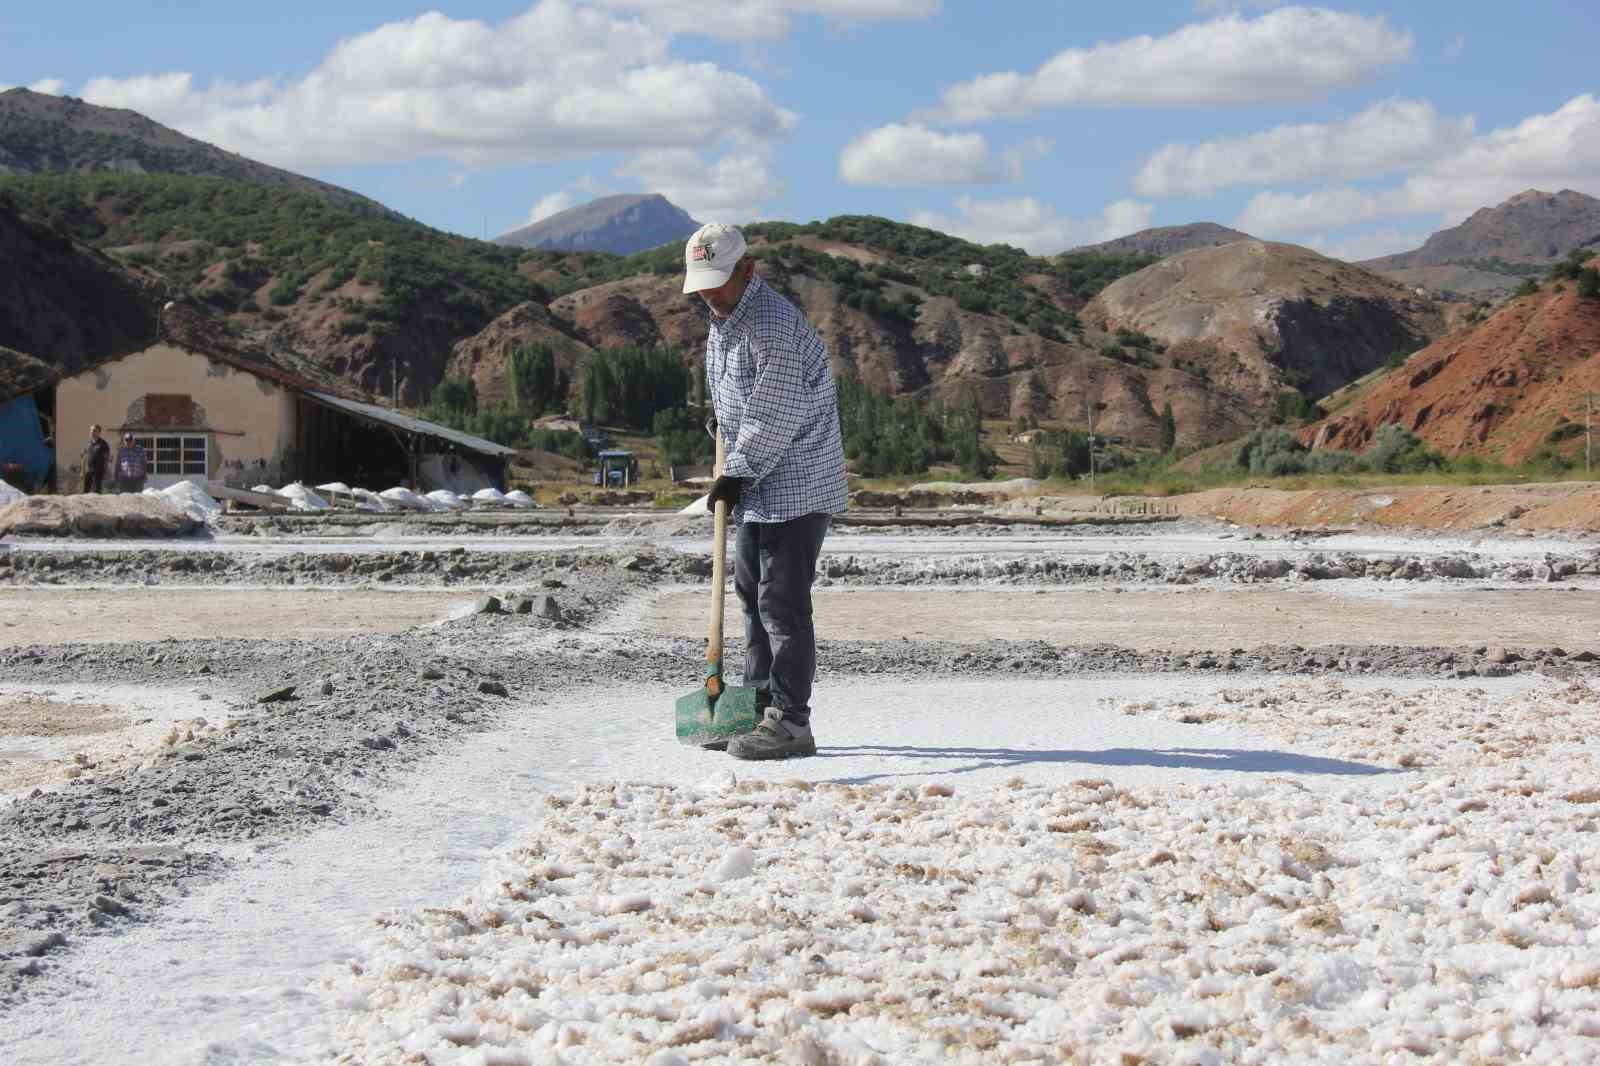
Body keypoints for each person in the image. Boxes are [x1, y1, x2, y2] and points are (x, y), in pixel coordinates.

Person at [683, 222, 849, 760]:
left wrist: (737, 468)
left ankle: (791, 722)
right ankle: (753, 707)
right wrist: (723, 428)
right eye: (702, 283)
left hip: (795, 484)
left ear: (748, 269)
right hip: (757, 484)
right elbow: (740, 396)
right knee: (752, 600)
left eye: (718, 282)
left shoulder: (771, 327)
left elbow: (776, 413)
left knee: (780, 606)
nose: (709, 293)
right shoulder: (724, 320)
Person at [81, 424, 110, 494]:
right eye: (91, 430)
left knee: (96, 492)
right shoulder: (87, 444)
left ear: (99, 432)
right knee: (85, 491)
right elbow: (83, 457)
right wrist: (82, 471)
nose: (92, 432)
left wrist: (106, 471)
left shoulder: (103, 444)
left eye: (94, 431)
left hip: (98, 472)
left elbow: (107, 458)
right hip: (89, 471)